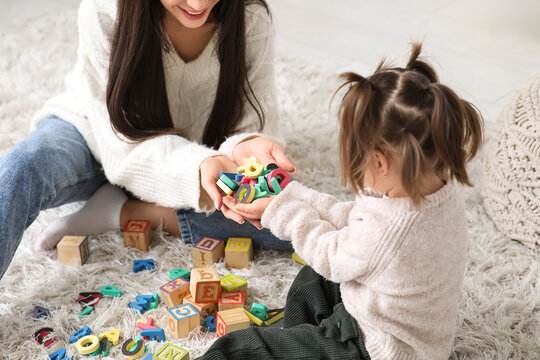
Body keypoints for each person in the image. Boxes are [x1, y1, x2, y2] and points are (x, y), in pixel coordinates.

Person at [196, 43, 484, 360]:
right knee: (312, 281)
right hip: (388, 316)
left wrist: (280, 211)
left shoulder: (388, 230)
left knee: (243, 348)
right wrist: (290, 194)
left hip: (375, 349)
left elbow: (332, 255)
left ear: (379, 163)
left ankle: (292, 347)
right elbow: (354, 222)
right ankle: (297, 342)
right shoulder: (430, 183)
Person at [0, 0, 293, 280]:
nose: (198, 5)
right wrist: (201, 165)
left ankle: (127, 211)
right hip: (98, 137)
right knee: (22, 166)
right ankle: (143, 205)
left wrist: (243, 146)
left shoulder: (251, 19)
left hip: (188, 163)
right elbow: (120, 145)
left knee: (288, 217)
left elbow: (250, 123)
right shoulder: (104, 10)